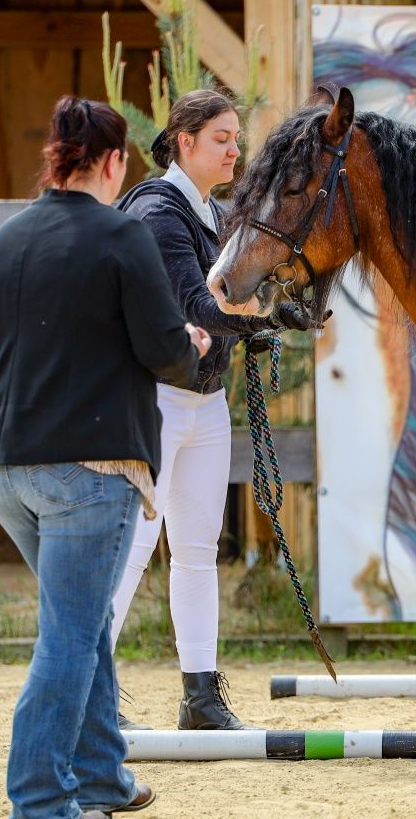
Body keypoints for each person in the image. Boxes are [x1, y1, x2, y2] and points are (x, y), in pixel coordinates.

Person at [0, 96, 212, 819]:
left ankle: (103, 773)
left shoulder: (6, 239)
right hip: (90, 464)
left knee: (76, 619)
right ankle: (40, 799)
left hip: (3, 464)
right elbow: (164, 348)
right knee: (73, 634)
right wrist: (196, 344)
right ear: (113, 163)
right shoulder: (120, 237)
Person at [109, 89, 314, 731]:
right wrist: (263, 319)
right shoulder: (158, 209)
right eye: (221, 137)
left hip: (202, 401)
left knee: (197, 550)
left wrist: (263, 317)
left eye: (235, 137)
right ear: (184, 140)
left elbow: (224, 298)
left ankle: (200, 695)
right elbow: (195, 303)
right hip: (155, 402)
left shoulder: (209, 212)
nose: (234, 149)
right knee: (133, 547)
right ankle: (92, 690)